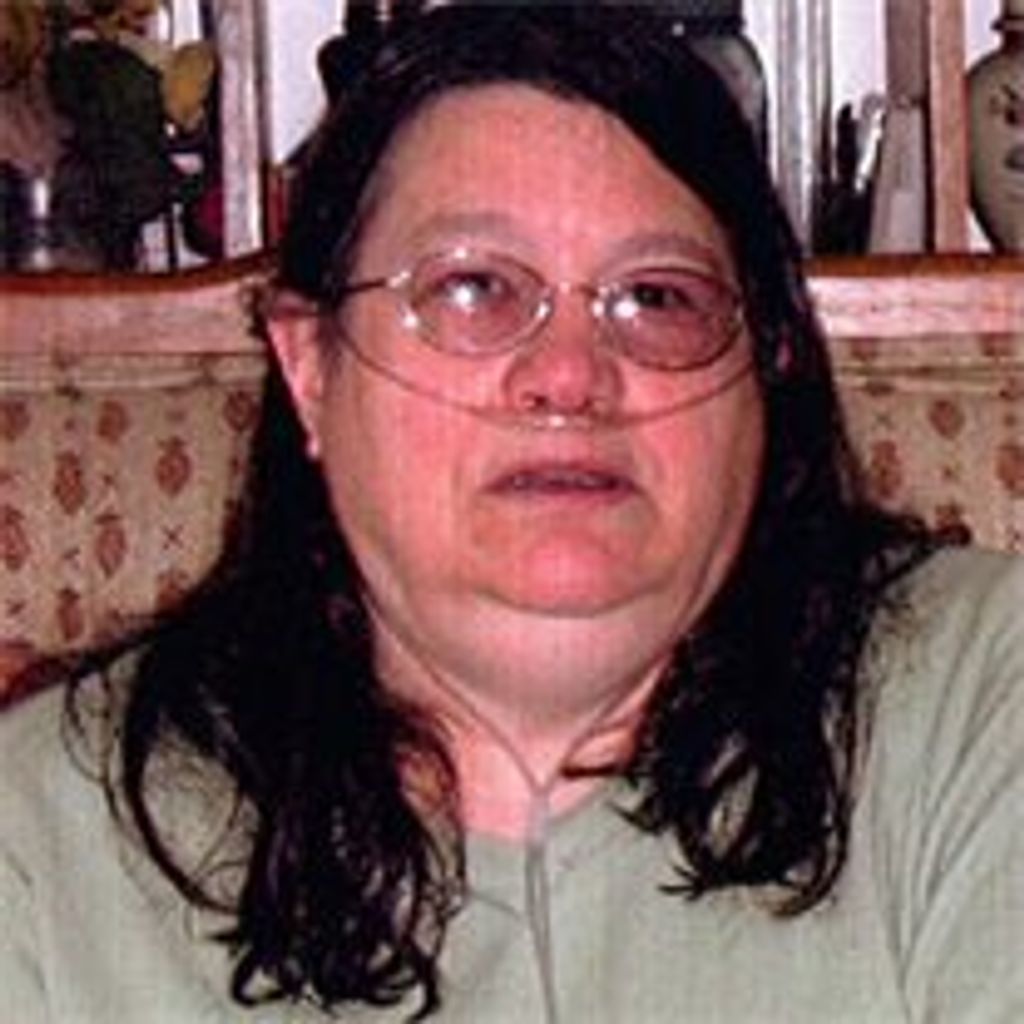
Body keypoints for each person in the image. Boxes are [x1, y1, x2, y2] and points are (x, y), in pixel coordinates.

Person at [1, 6, 1021, 1022]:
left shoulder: (976, 700)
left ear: (768, 366)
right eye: (474, 287)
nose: (569, 377)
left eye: (657, 298)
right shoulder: (49, 839)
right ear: (311, 372)